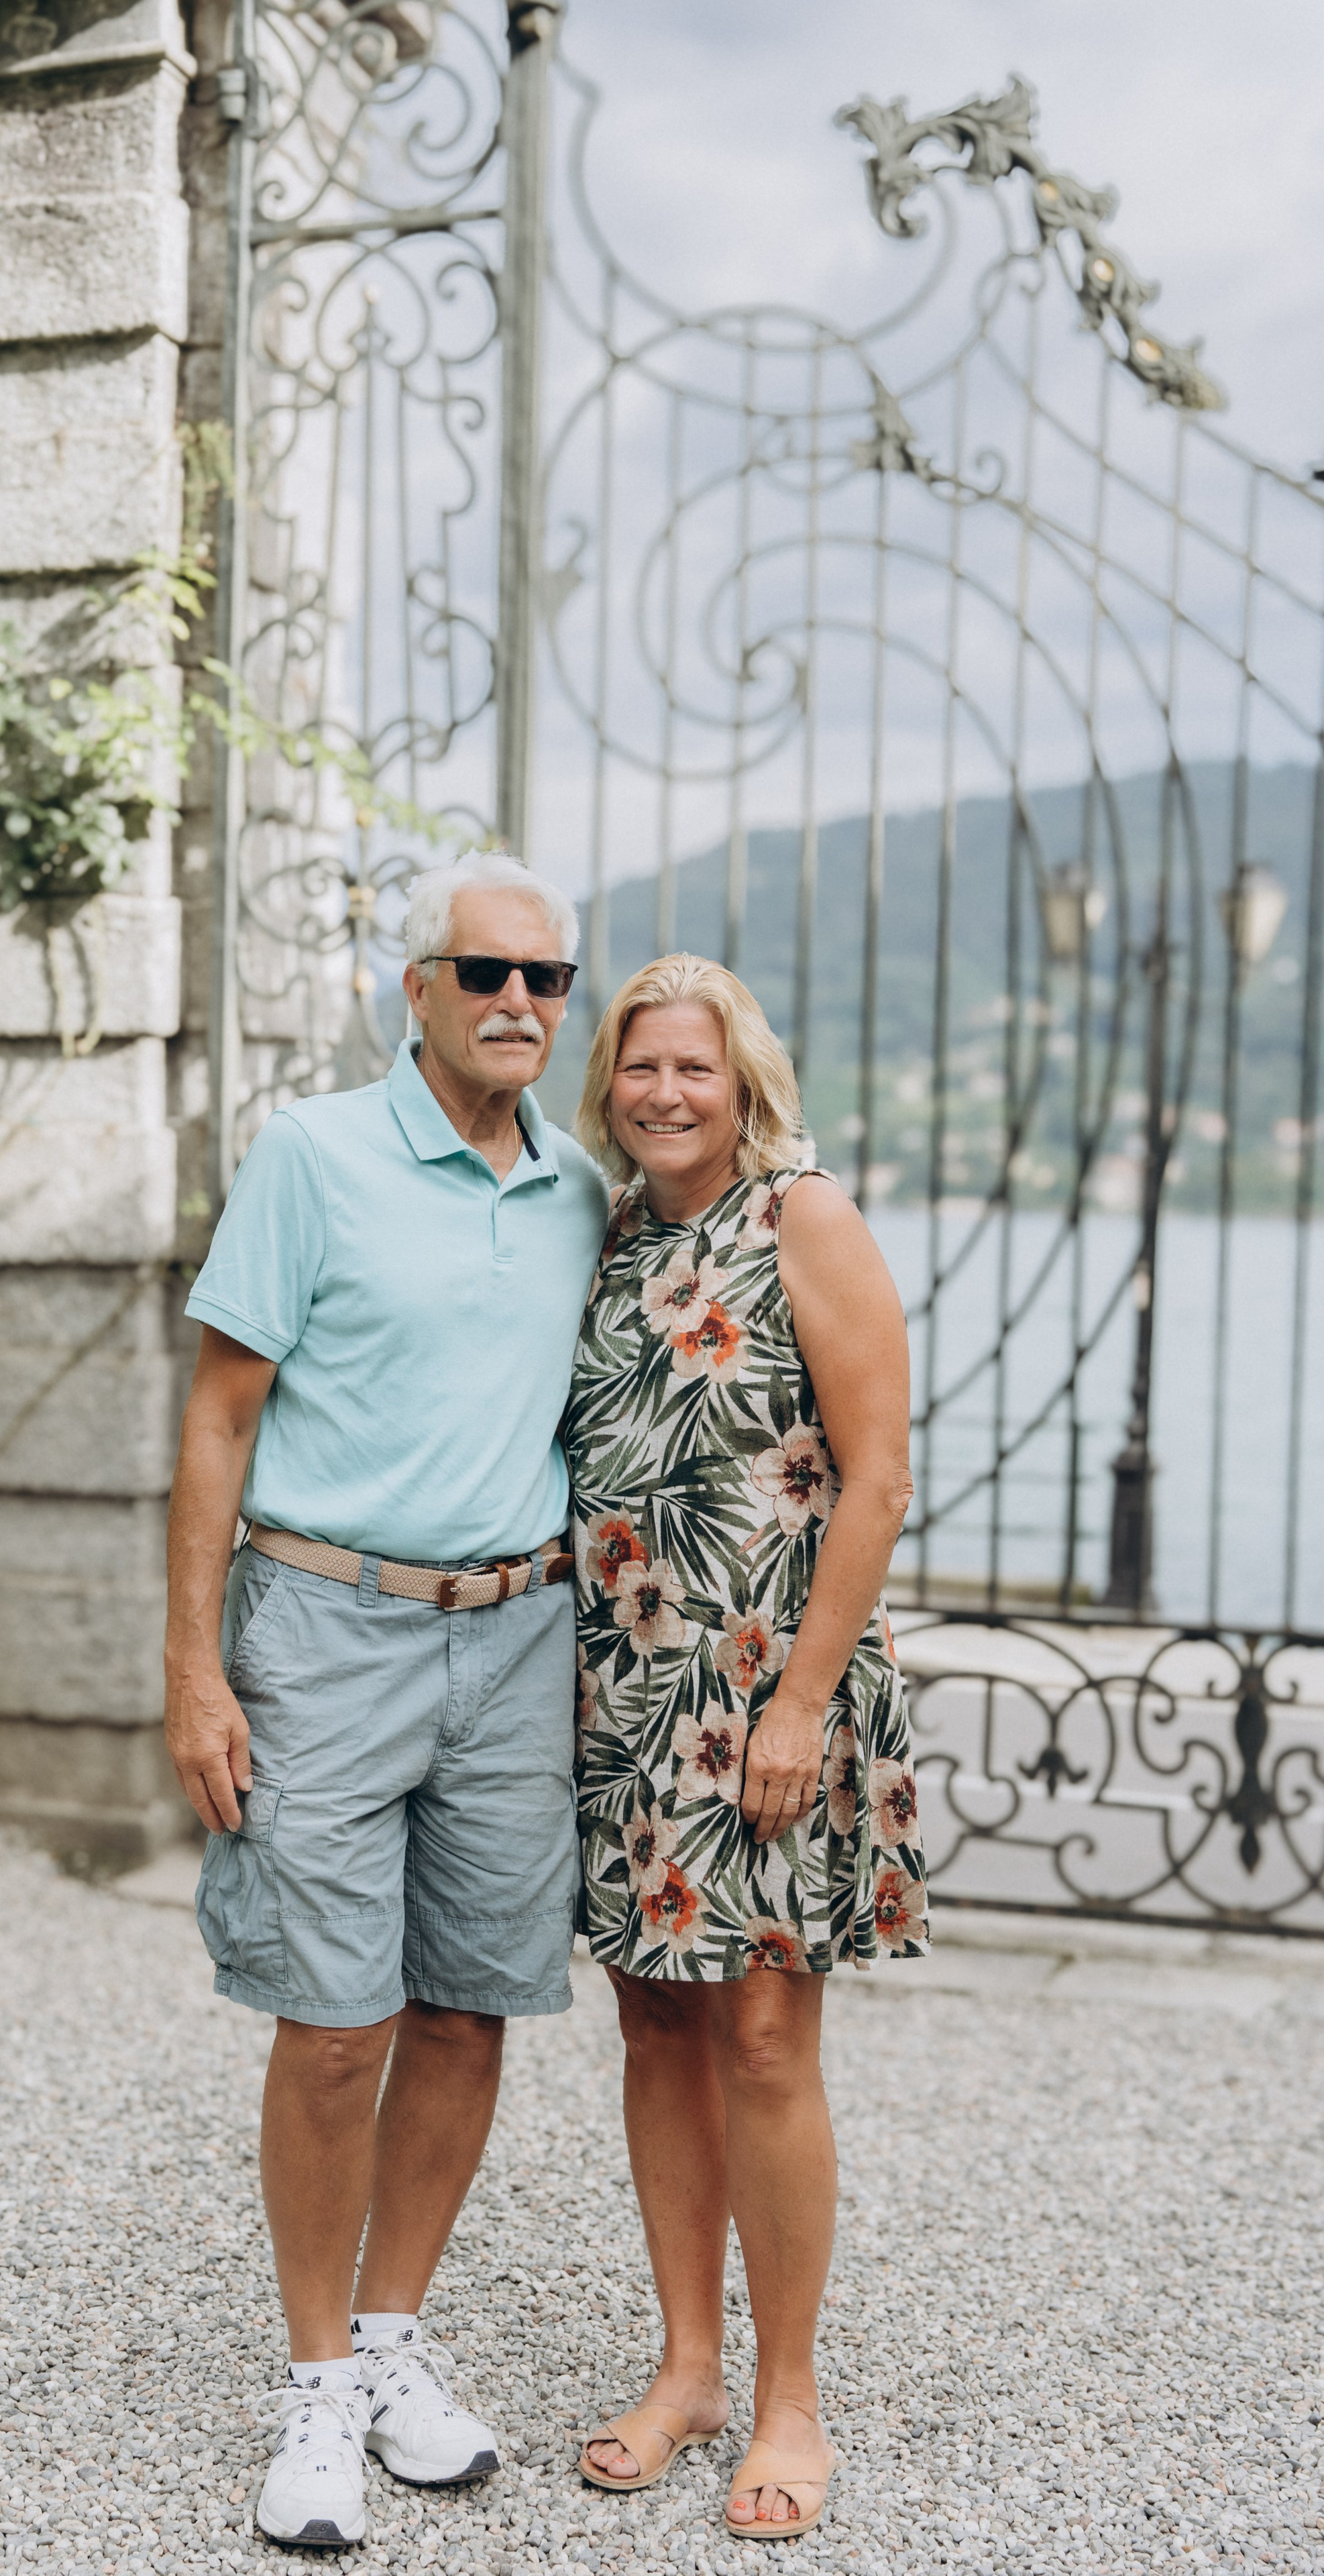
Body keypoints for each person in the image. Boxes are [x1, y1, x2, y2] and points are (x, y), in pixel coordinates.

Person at [164, 851, 610, 2549]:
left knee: (465, 2009)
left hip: (512, 1647)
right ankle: (311, 2390)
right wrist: (194, 1666)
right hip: (324, 1632)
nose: (518, 1004)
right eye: (483, 972)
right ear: (411, 988)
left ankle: (390, 2341)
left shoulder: (577, 1190)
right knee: (334, 2026)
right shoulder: (313, 1156)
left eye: (546, 980)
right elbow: (217, 1416)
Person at [563, 953, 927, 2542]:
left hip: (773, 1698)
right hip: (631, 1698)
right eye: (639, 1069)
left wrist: (794, 1706)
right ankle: (687, 2367)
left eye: (691, 1072)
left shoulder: (801, 1218)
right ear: (610, 1084)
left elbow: (878, 1480)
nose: (663, 1094)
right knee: (654, 2034)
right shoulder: (613, 1230)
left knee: (767, 2039)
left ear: (742, 1080)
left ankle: (788, 2400)